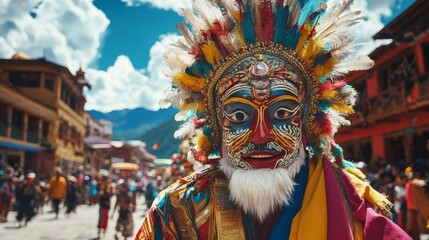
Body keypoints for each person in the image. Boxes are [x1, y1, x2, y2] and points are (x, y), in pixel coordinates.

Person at [136, 0, 411, 239]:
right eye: (240, 116)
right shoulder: (177, 210)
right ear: (216, 127)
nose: (261, 135)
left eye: (281, 113)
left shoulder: (355, 206)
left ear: (307, 123)